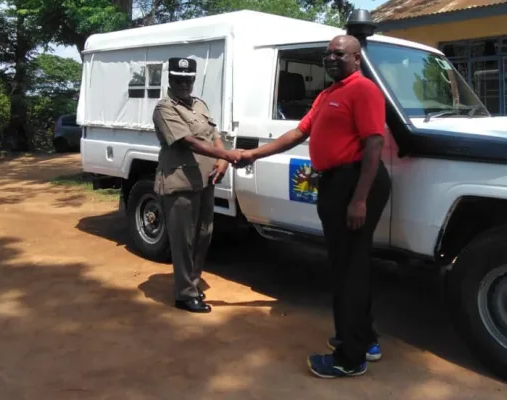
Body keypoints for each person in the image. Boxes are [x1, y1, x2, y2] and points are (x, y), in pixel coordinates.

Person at [237, 35, 391, 378]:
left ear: (356, 57)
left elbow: (374, 143)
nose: (331, 59)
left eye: (339, 54)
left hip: (354, 183)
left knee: (347, 268)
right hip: (336, 184)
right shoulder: (328, 94)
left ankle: (349, 358)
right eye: (328, 54)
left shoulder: (362, 89)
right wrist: (253, 154)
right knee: (352, 265)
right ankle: (365, 339)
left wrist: (360, 198)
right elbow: (298, 133)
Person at [152, 57, 242, 313]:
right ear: (170, 79)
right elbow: (188, 142)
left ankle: (192, 282)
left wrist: (222, 159)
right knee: (183, 239)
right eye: (178, 79)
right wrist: (227, 156)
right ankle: (184, 294)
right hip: (180, 181)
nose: (183, 84)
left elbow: (214, 135)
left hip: (205, 180)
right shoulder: (165, 108)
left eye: (188, 79)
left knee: (203, 235)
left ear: (193, 79)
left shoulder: (199, 105)